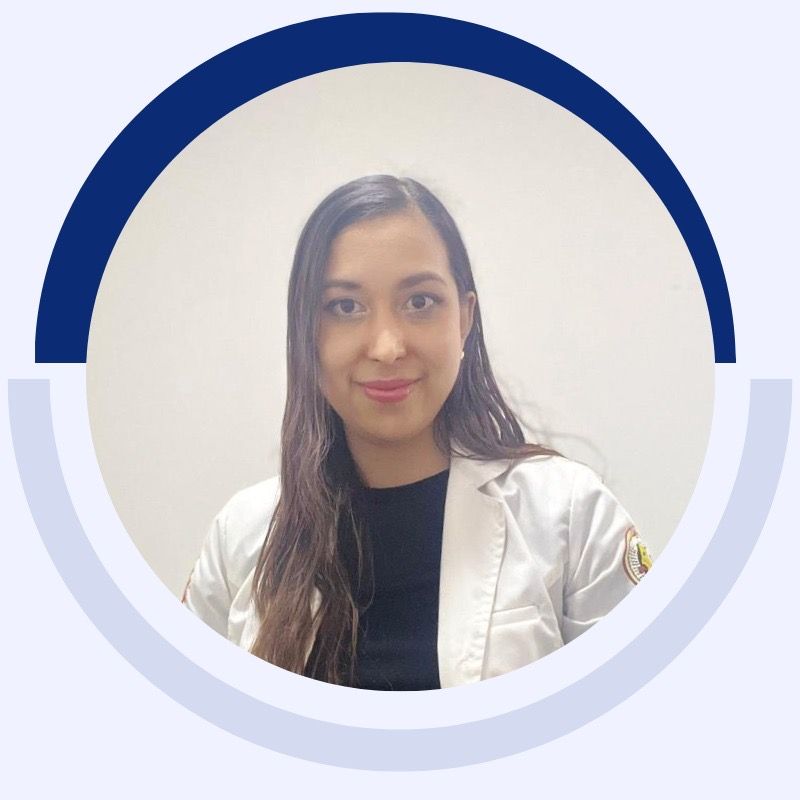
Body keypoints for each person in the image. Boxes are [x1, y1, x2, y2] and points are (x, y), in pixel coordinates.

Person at [182, 174, 651, 690]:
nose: (387, 347)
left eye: (420, 302)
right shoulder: (240, 535)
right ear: (305, 332)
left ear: (464, 319)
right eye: (345, 307)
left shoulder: (570, 516)